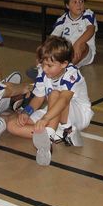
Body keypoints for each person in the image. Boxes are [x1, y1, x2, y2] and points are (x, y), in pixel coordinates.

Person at [6, 37, 93, 166]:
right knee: (12, 125)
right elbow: (39, 98)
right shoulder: (43, 72)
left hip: (77, 114)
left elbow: (64, 100)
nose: (45, 69)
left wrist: (45, 119)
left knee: (55, 94)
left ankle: (52, 132)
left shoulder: (72, 73)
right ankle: (51, 135)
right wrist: (26, 112)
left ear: (64, 64)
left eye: (49, 65)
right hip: (52, 111)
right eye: (43, 64)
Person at [51, 0, 97, 68]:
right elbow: (53, 38)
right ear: (67, 5)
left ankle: (65, 69)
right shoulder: (63, 19)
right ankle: (46, 68)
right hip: (67, 52)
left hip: (85, 53)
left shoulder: (88, 14)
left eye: (81, 1)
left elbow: (91, 30)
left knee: (82, 45)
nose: (79, 4)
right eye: (75, 2)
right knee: (53, 46)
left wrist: (78, 43)